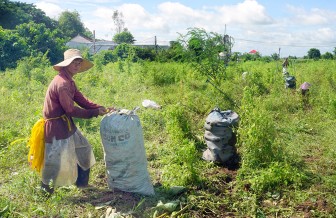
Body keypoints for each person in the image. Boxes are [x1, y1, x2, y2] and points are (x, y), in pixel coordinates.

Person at [41, 48, 113, 194]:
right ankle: (45, 191)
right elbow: (71, 110)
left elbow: (81, 100)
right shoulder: (62, 83)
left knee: (84, 149)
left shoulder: (69, 81)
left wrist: (100, 108)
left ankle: (82, 184)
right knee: (54, 160)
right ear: (66, 64)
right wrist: (94, 113)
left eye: (79, 63)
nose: (77, 66)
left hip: (66, 124)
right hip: (56, 127)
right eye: (74, 63)